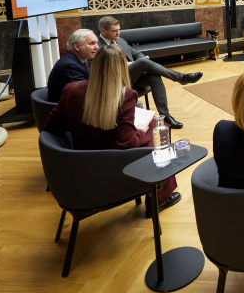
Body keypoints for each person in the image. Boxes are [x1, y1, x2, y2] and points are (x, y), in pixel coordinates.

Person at [44, 44, 180, 213]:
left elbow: (51, 125)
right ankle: (159, 198)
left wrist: (82, 122)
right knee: (159, 131)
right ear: (122, 67)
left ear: (94, 64)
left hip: (79, 162)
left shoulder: (71, 89)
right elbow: (126, 144)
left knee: (156, 129)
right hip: (113, 165)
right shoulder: (126, 96)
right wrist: (141, 129)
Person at [97, 16, 202, 130]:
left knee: (154, 76)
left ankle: (166, 116)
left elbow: (136, 53)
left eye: (119, 29)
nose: (118, 33)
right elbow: (102, 70)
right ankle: (181, 78)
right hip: (117, 82)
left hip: (134, 78)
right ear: (103, 31)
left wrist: (139, 62)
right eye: (114, 30)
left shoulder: (120, 40)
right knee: (142, 62)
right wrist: (133, 64)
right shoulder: (97, 46)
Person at [47, 29, 99, 102]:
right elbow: (84, 94)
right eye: (92, 43)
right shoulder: (70, 66)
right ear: (76, 46)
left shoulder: (76, 59)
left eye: (96, 43)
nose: (97, 47)